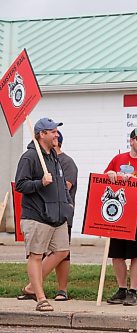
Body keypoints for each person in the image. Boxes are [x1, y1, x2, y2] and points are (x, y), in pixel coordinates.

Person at [15, 118, 72, 312]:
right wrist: (40, 183)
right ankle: (40, 298)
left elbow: (61, 183)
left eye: (56, 131)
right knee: (36, 255)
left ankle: (31, 287)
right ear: (42, 134)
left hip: (57, 215)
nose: (56, 135)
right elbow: (21, 185)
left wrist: (67, 204)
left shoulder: (54, 157)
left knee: (62, 251)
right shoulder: (29, 157)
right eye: (53, 131)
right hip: (36, 215)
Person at [104, 127, 137, 306]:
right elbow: (105, 177)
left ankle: (133, 290)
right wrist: (110, 174)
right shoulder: (118, 159)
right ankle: (122, 289)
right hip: (119, 213)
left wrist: (135, 179)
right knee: (117, 255)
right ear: (131, 141)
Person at [52, 130, 78, 301]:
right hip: (42, 215)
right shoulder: (43, 160)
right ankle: (35, 287)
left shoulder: (67, 162)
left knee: (62, 253)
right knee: (39, 253)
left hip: (61, 215)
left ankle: (62, 289)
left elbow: (64, 188)